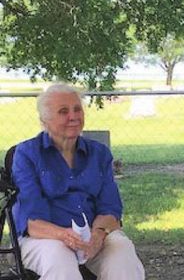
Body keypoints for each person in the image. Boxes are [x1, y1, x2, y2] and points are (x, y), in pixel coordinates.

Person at [12, 83, 145, 280]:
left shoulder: (99, 153)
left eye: (77, 109)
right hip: (45, 237)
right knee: (59, 258)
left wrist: (98, 234)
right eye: (63, 111)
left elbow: (110, 208)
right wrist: (64, 235)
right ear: (45, 120)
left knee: (121, 249)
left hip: (92, 234)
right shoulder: (27, 154)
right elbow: (32, 221)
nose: (73, 116)